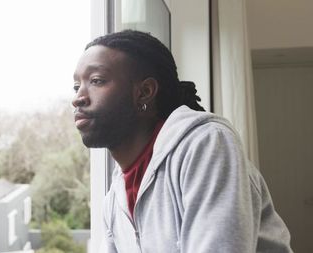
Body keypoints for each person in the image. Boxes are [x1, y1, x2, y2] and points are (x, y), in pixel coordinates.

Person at [71, 30, 292, 253]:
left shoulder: (205, 144)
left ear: (145, 92)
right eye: (76, 86)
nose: (78, 98)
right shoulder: (116, 197)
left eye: (96, 81)